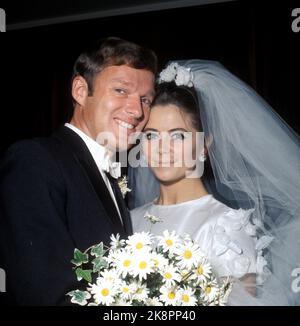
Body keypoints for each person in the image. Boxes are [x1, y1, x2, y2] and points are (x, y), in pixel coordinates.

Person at [0, 37, 157, 305]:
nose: (137, 110)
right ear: (81, 91)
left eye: (145, 99)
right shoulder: (36, 160)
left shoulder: (111, 175)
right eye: (121, 90)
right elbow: (45, 293)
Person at [129, 60, 300, 305]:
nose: (161, 149)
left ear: (204, 146)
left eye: (178, 135)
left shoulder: (225, 227)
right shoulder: (128, 220)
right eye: (151, 135)